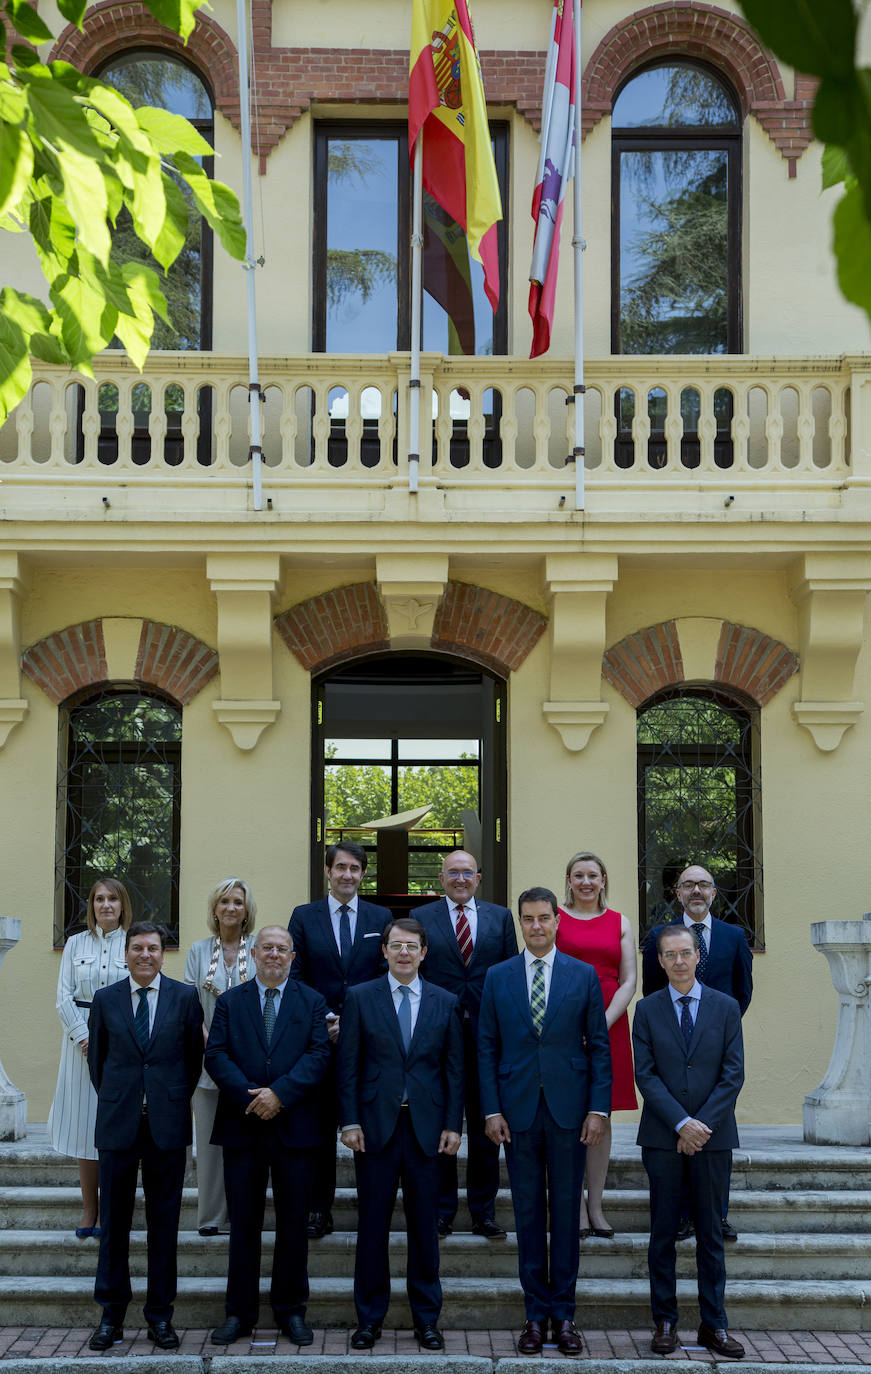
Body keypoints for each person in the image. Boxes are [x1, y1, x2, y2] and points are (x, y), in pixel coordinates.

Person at [478, 887, 612, 1356]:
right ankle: (535, 1316)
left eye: (543, 918)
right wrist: (491, 1109)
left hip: (570, 1112)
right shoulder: (498, 976)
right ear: (520, 923)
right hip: (516, 1114)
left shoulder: (583, 975)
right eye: (528, 919)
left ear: (557, 922)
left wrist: (599, 1109)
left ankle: (565, 1315)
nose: (536, 926)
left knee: (565, 1218)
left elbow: (598, 1044)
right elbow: (487, 1047)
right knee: (529, 1215)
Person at [337, 917, 464, 1352]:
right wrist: (349, 1121)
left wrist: (453, 1124)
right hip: (374, 1129)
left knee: (424, 1229)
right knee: (372, 1225)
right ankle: (368, 1319)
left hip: (428, 1129)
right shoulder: (359, 998)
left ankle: (426, 1319)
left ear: (424, 952)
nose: (404, 953)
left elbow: (453, 1070)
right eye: (396, 946)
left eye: (412, 946)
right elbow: (348, 1065)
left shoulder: (446, 1002)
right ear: (385, 951)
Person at [205, 925, 331, 1347]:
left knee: (294, 1224)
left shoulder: (312, 1002)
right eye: (267, 949)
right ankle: (239, 1314)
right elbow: (216, 1055)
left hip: (296, 1128)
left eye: (282, 949)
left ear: (293, 957)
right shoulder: (229, 1002)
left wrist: (280, 1094)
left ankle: (290, 1311)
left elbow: (318, 1055)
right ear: (253, 955)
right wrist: (254, 1097)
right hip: (243, 1127)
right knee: (244, 1224)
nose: (274, 955)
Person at [86, 921, 204, 1352]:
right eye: (137, 948)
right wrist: (126, 1099)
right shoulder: (105, 1000)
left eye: (153, 948)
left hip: (167, 1127)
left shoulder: (185, 998)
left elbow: (193, 1060)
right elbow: (98, 1063)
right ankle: (111, 1317)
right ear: (126, 953)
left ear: (162, 953)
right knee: (114, 1224)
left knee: (164, 1225)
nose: (145, 955)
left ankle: (160, 1317)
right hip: (117, 1125)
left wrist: (165, 1100)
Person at [632, 925, 745, 1359]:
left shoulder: (725, 1007)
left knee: (711, 1235)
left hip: (713, 1140)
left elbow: (732, 1073)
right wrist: (681, 1123)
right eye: (669, 955)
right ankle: (665, 1322)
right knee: (662, 1232)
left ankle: (713, 1325)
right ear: (659, 961)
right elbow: (646, 1074)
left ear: (699, 956)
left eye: (686, 953)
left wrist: (700, 1126)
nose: (678, 961)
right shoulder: (646, 1010)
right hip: (663, 1137)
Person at [641, 862, 752, 1240]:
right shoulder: (659, 937)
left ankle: (716, 1215)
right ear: (678, 893)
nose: (697, 891)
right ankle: (684, 1215)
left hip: (714, 1054)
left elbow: (742, 992)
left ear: (714, 893)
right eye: (688, 885)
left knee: (713, 1133)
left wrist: (718, 1031)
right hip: (672, 1055)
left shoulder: (734, 936)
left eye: (704, 884)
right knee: (677, 1133)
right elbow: (652, 993)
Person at [411, 848, 517, 1238]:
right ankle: (442, 1209)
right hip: (438, 1035)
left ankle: (482, 1212)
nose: (460, 879)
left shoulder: (500, 917)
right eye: (452, 872)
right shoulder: (421, 919)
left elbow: (510, 974)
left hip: (488, 1036)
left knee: (486, 1121)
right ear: (441, 878)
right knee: (443, 1121)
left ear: (478, 877)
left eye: (467, 872)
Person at [289, 840, 391, 1239]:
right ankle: (318, 1208)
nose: (348, 875)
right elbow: (295, 976)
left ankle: (373, 1206)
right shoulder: (304, 916)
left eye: (355, 868)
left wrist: (352, 1020)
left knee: (366, 1123)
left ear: (363, 874)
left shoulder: (380, 916)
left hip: (366, 1039)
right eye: (341, 868)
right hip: (319, 1039)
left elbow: (386, 972)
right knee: (319, 1129)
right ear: (328, 872)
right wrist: (327, 1019)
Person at [556, 851, 637, 1239]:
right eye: (578, 875)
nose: (586, 882)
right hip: (561, 1026)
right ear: (568, 881)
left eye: (593, 875)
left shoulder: (620, 922)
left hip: (609, 1025)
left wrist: (601, 1024)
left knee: (599, 1118)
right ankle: (574, 1208)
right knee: (567, 1116)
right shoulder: (554, 917)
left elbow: (628, 980)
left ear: (603, 879)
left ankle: (597, 1206)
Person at [48, 878, 133, 1238]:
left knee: (114, 1126)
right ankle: (89, 1209)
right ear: (91, 905)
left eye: (112, 898)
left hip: (121, 1043)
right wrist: (85, 1037)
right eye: (99, 898)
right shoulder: (75, 944)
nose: (105, 905)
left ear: (122, 904)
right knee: (85, 1128)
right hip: (79, 1043)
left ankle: (112, 1210)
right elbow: (62, 996)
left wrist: (112, 1038)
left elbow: (138, 991)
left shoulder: (133, 942)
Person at [183, 876, 256, 1236]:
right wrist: (213, 1046)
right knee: (210, 1146)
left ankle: (243, 1215)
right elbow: (189, 1005)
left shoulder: (259, 948)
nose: (231, 908)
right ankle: (211, 1217)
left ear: (247, 911)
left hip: (253, 1063)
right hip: (208, 1060)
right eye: (224, 901)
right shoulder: (198, 951)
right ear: (215, 908)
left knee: (248, 1145)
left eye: (237, 903)